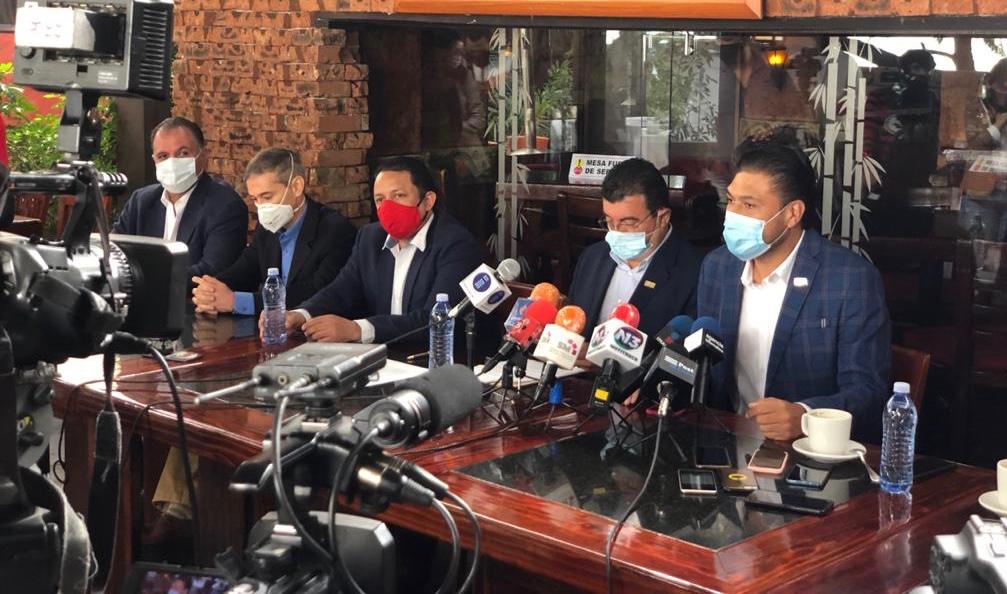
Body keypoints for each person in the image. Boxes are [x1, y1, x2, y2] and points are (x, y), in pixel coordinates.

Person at [698, 141, 891, 442]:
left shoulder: (849, 279)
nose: (732, 215)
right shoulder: (718, 267)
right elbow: (706, 367)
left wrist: (805, 416)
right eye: (731, 200)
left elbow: (868, 392)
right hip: (726, 442)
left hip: (808, 451)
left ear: (792, 214)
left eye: (749, 205)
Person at [273, 156, 484, 345]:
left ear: (427, 201)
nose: (388, 207)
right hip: (382, 357)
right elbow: (341, 290)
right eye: (380, 200)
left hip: (434, 359)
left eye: (399, 195)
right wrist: (301, 314)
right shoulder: (370, 237)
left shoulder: (456, 244)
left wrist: (357, 330)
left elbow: (435, 320)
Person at [191, 148, 356, 316]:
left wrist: (237, 301)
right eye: (255, 199)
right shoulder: (267, 227)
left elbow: (316, 294)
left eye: (267, 197)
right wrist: (211, 289)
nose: (261, 207)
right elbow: (244, 269)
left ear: (296, 187)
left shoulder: (335, 230)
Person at [567, 158, 701, 336]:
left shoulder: (694, 273)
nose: (616, 231)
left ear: (662, 218)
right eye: (608, 221)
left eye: (628, 223)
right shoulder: (592, 258)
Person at [113, 117, 248, 278]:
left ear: (203, 156)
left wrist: (147, 279)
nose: (172, 163)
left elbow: (211, 271)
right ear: (154, 160)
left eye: (183, 153)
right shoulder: (141, 201)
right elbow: (114, 252)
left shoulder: (225, 206)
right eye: (163, 156)